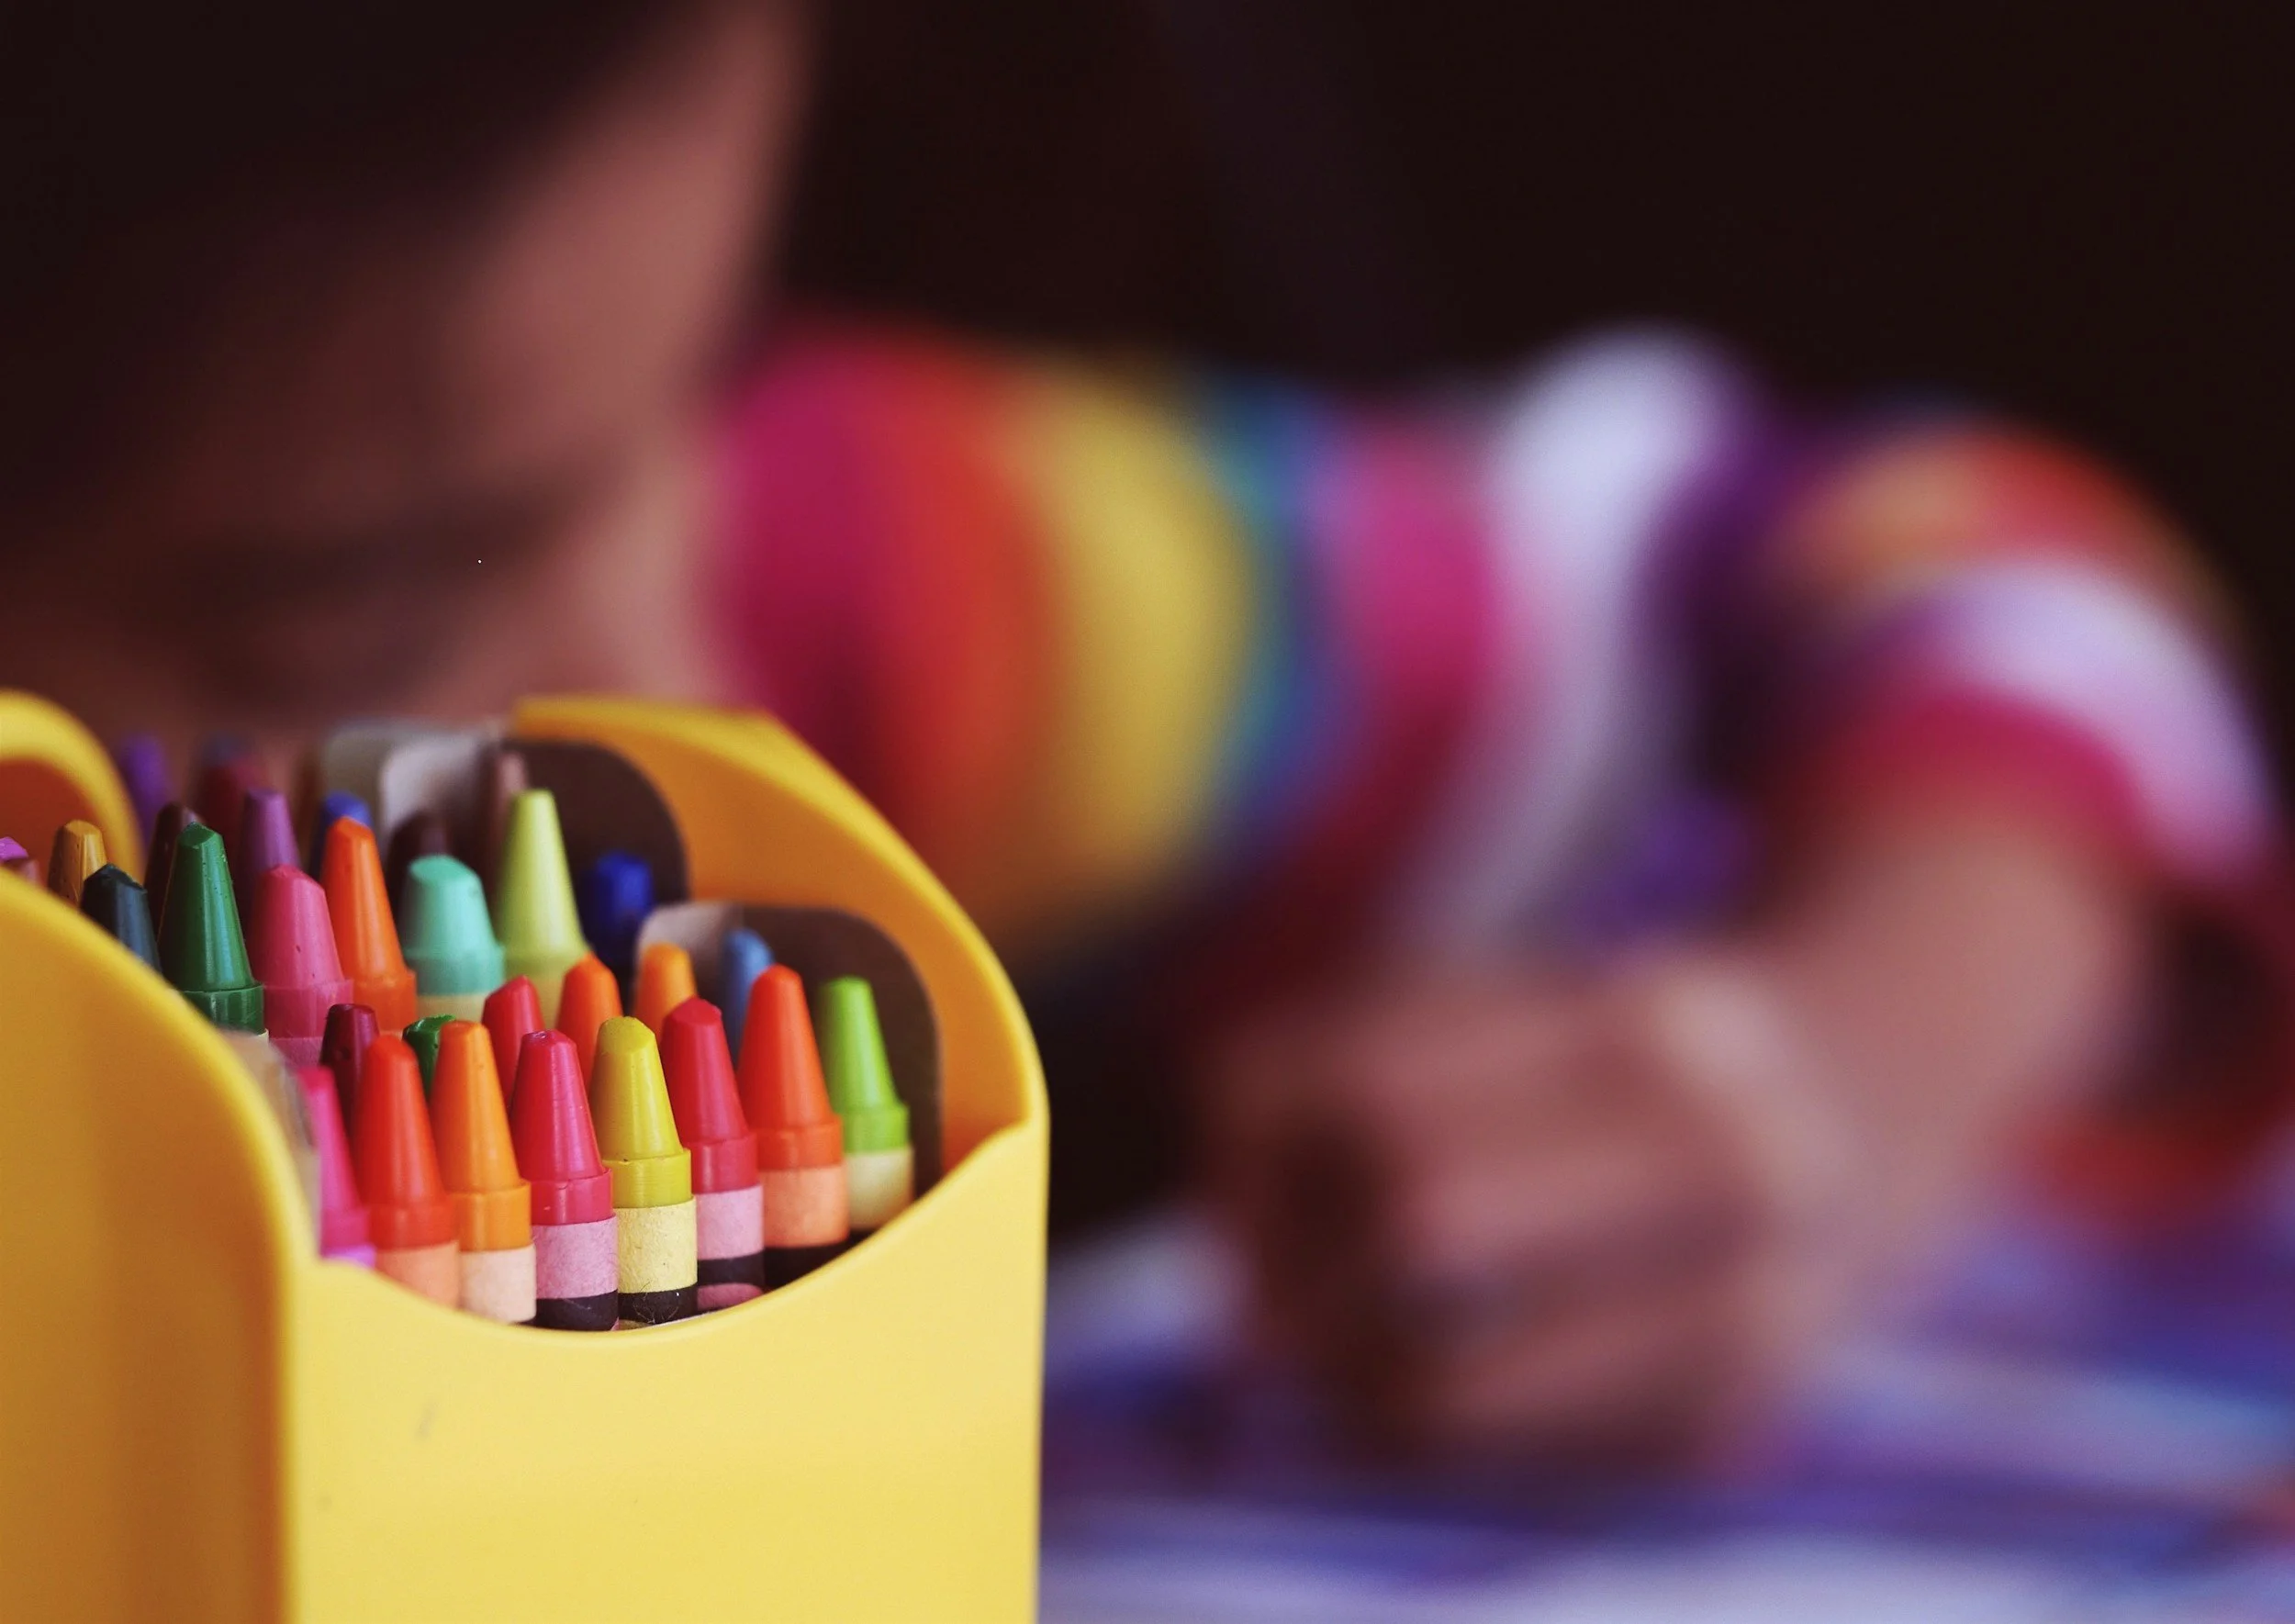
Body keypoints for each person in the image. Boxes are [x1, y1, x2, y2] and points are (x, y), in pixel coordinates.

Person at [1, 0, 2278, 1462]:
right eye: (345, 600)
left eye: (704, 374)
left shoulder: (838, 581)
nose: (667, 681)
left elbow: (1906, 555)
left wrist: (1844, 1070)